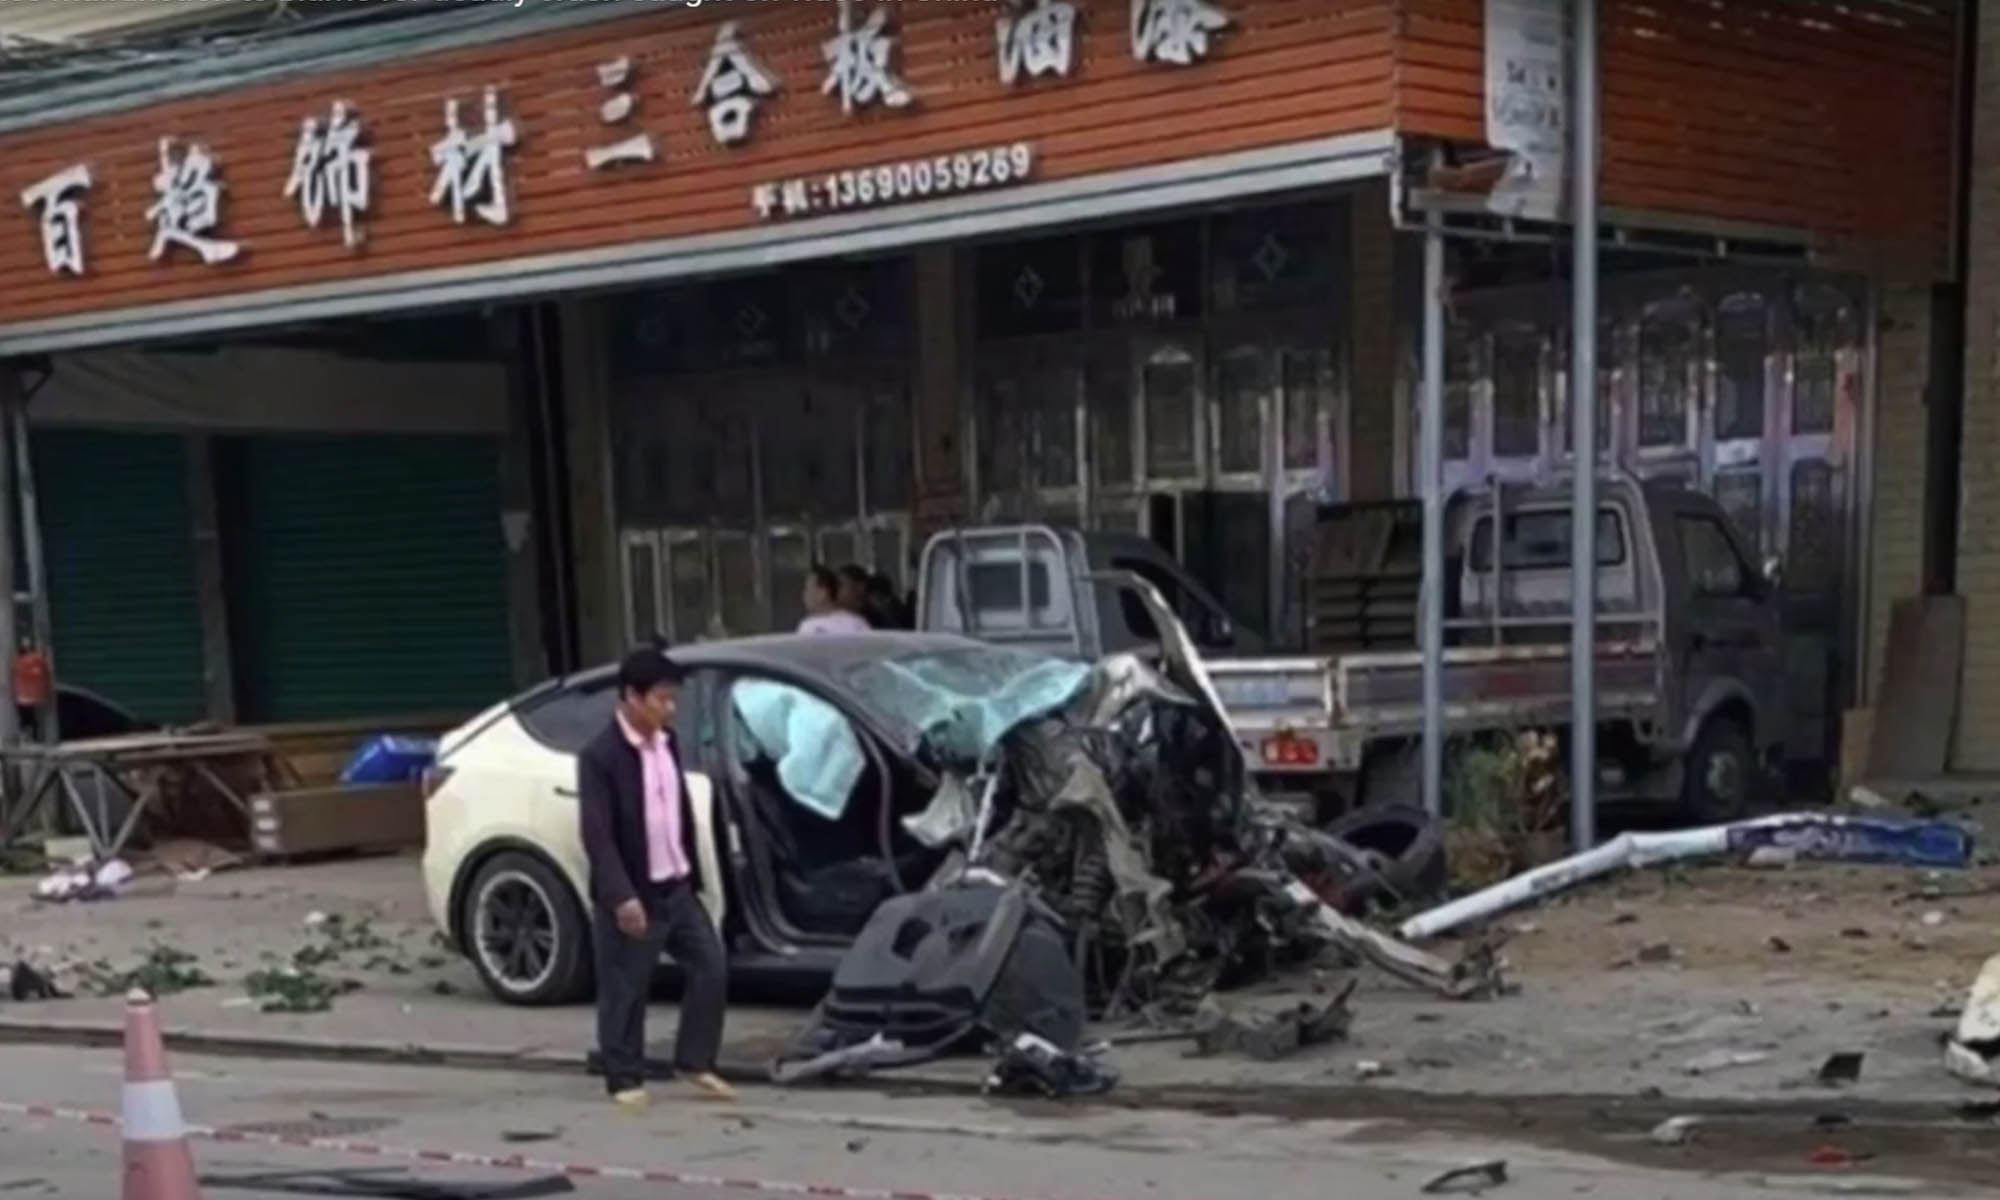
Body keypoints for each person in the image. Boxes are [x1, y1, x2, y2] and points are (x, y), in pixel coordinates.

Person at [577, 649, 736, 1110]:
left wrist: (695, 871)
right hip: (633, 890)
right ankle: (623, 1074)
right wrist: (620, 895)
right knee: (626, 984)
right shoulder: (601, 757)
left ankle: (695, 1059)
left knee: (711, 965)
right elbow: (598, 833)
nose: (669, 709)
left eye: (673, 701)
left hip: (676, 884)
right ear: (631, 697)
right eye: (661, 700)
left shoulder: (668, 742)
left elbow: (676, 812)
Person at [798, 564, 871, 635]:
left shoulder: (809, 627)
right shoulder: (858, 623)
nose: (804, 595)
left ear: (823, 592)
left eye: (807, 589)